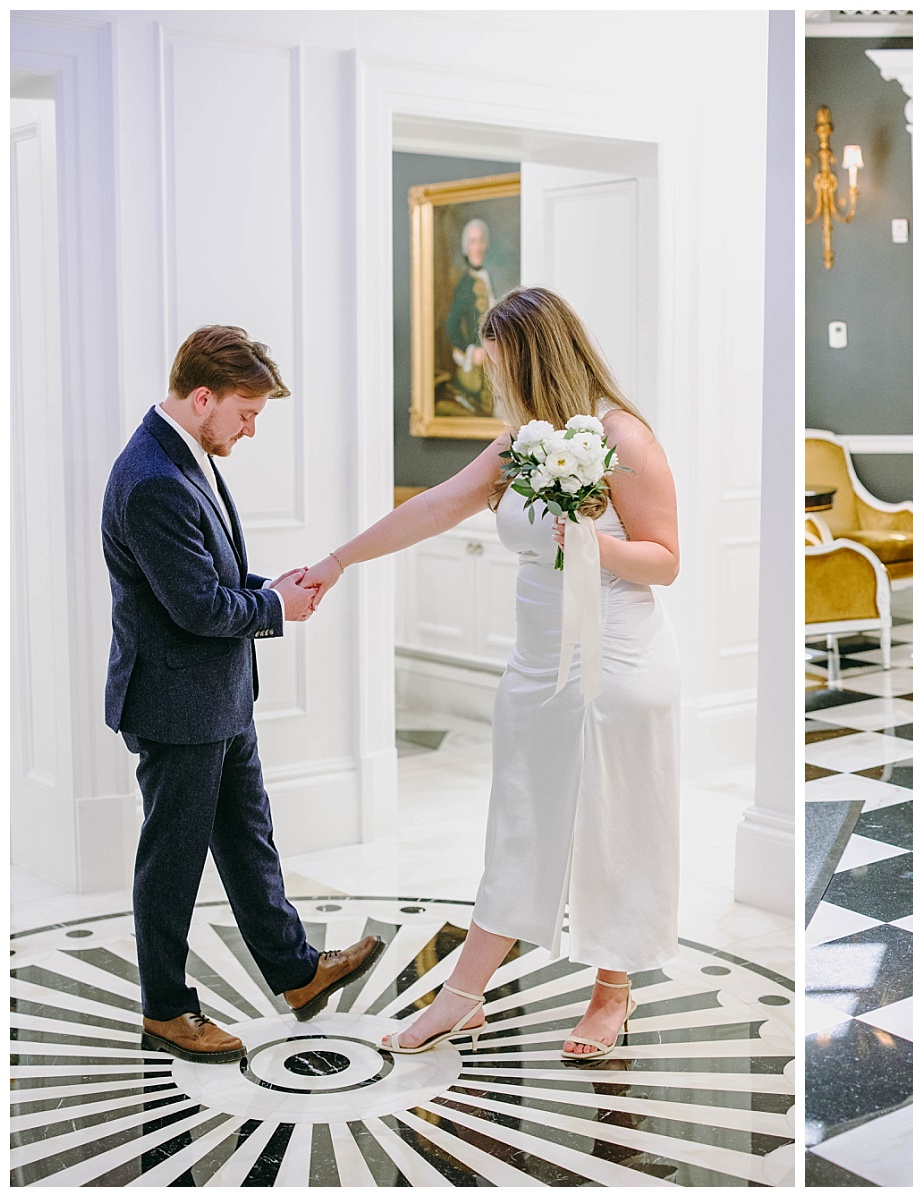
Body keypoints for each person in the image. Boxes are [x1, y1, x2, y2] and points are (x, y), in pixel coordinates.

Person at [300, 287, 680, 1058]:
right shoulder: (523, 443)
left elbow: (666, 561)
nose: (493, 378)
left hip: (618, 663)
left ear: (535, 356)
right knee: (518, 820)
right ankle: (462, 997)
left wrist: (586, 539)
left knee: (612, 826)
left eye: (501, 363)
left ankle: (612, 990)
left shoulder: (621, 436)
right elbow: (437, 506)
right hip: (538, 666)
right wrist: (338, 560)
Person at [102, 325, 383, 1064]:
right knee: (172, 863)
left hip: (217, 695)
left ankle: (294, 972)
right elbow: (197, 607)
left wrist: (271, 588)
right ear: (203, 397)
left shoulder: (184, 454)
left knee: (248, 839)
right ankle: (166, 1009)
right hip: (176, 704)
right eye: (246, 413)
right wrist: (277, 608)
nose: (251, 429)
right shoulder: (152, 479)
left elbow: (212, 580)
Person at [444, 217, 497, 416]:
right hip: (476, 367)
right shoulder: (466, 283)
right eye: (472, 242)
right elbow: (451, 325)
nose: (477, 247)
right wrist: (471, 350)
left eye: (481, 241)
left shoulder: (486, 276)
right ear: (467, 247)